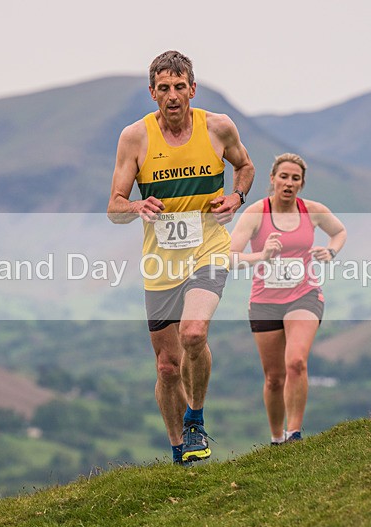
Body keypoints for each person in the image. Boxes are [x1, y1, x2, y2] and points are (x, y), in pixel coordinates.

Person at [107, 51, 254, 464]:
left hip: (209, 249)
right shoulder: (135, 137)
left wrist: (237, 196)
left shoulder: (218, 127)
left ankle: (195, 420)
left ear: (193, 89)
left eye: (179, 86)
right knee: (167, 367)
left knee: (193, 334)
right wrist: (136, 206)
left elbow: (245, 166)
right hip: (161, 262)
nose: (172, 95)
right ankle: (179, 452)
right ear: (152, 93)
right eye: (163, 88)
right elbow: (114, 207)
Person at [229, 153, 346, 444]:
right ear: (272, 179)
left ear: (301, 184)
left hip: (304, 295)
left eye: (295, 178)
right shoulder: (256, 213)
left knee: (296, 362)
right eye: (284, 177)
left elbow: (339, 231)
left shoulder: (313, 211)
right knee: (274, 378)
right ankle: (276, 438)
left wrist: (331, 251)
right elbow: (229, 258)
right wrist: (262, 255)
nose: (289, 183)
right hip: (265, 301)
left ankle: (294, 434)